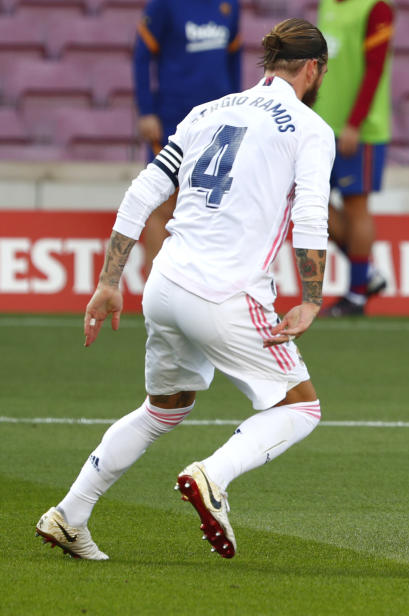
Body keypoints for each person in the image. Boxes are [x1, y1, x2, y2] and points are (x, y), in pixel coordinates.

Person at [35, 18, 333, 561]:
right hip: (225, 293)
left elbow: (144, 189)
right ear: (313, 69)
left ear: (268, 63)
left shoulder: (206, 112)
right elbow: (310, 215)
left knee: (164, 408)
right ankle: (212, 476)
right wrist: (312, 298)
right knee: (300, 409)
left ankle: (69, 514)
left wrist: (108, 281)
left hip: (165, 283)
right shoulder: (310, 129)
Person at [134, 0, 243, 277]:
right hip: (174, 118)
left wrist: (240, 109)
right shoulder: (163, 5)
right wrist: (146, 111)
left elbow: (234, 58)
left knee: (213, 204)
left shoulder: (230, 4)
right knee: (164, 204)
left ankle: (203, 287)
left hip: (220, 121)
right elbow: (142, 55)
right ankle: (155, 288)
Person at [313, 0, 393, 316]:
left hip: (357, 131)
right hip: (321, 125)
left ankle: (356, 295)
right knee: (306, 200)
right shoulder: (326, 6)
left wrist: (354, 123)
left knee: (355, 205)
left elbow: (375, 68)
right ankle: (367, 274)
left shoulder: (376, 8)